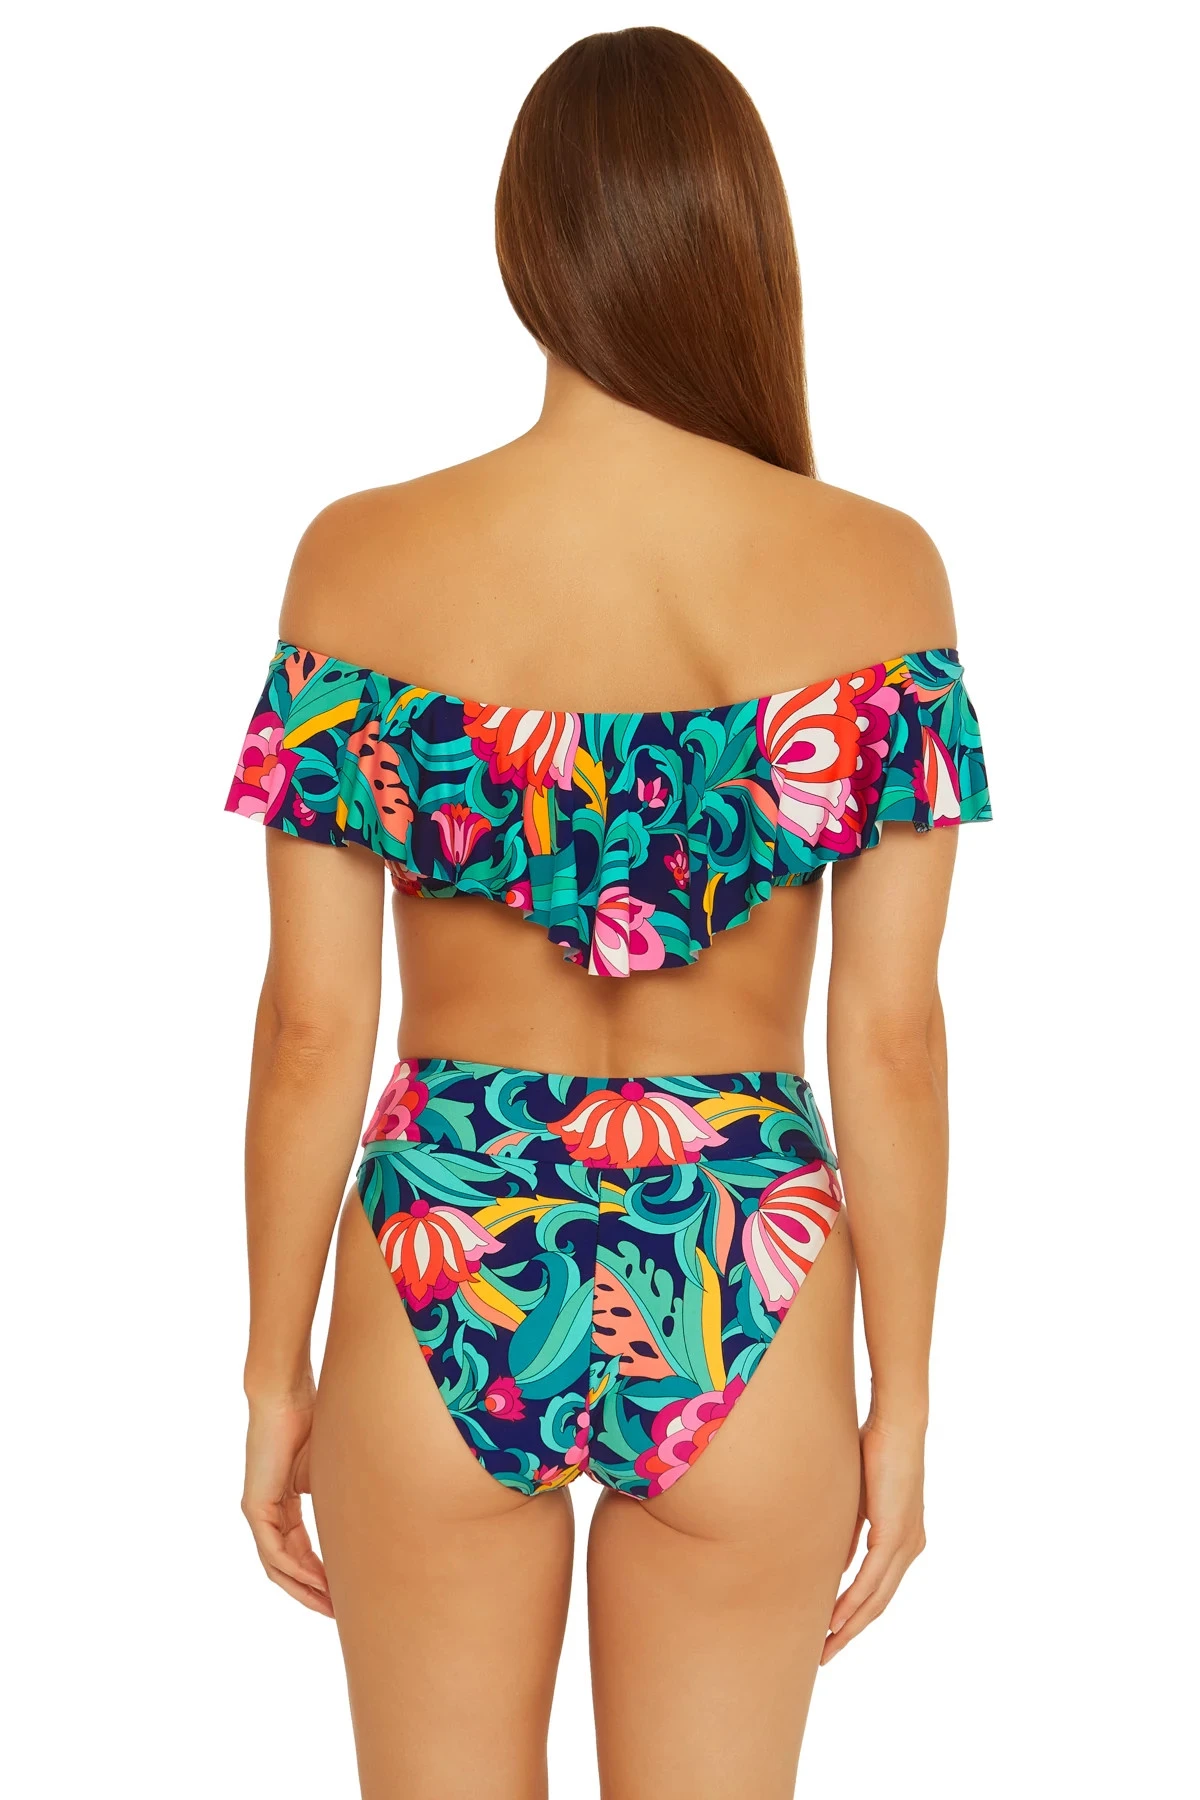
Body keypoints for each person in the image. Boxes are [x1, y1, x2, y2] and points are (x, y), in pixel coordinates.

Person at [224, 25, 992, 1800]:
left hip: (444, 1237)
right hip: (745, 1246)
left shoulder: (360, 558)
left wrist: (273, 1375)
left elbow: (315, 1027)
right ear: (742, 242)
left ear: (526, 243)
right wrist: (903, 1401)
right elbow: (889, 1037)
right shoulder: (878, 569)